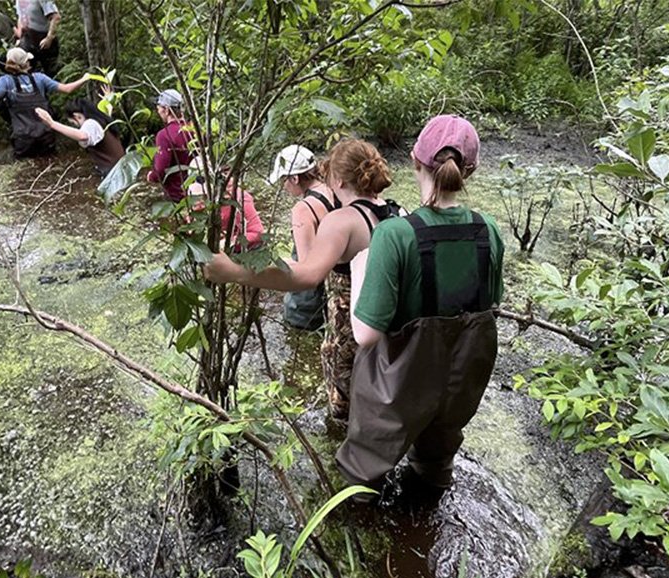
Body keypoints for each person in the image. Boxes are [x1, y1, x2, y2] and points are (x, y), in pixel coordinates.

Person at [335, 115, 504, 499]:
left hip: (398, 385)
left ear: (414, 159)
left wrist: (361, 269)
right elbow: (490, 304)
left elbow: (365, 334)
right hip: (461, 381)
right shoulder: (488, 231)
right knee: (434, 468)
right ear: (470, 171)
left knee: (362, 478)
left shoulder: (394, 234)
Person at [204, 139, 402, 419]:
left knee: (344, 401)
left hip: (351, 324)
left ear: (340, 181)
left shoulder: (343, 220)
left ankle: (345, 451)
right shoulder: (394, 211)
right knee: (376, 387)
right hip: (387, 320)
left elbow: (308, 275)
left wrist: (234, 271)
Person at [268, 145, 340, 330]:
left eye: (284, 180)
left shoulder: (303, 209)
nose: (283, 187)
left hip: (308, 303)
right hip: (338, 291)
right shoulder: (334, 190)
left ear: (295, 178)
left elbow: (306, 267)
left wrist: (272, 265)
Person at [187, 158, 265, 251]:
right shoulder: (195, 198)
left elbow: (257, 232)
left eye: (204, 196)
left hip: (246, 250)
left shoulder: (240, 199)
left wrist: (230, 242)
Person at [35, 99, 125, 176]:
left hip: (112, 171)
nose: (75, 125)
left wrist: (52, 124)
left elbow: (82, 136)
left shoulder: (91, 123)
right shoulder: (101, 119)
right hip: (121, 166)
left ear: (76, 116)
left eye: (73, 123)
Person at [146, 90, 194, 201]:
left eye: (159, 107)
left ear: (167, 110)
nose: (157, 110)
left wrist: (151, 176)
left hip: (176, 196)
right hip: (197, 193)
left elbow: (161, 170)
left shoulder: (164, 135)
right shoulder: (194, 130)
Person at [15, 0, 60, 77]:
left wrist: (49, 38)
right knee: (25, 72)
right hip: (28, 38)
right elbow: (20, 16)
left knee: (51, 73)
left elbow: (56, 17)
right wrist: (20, 35)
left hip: (43, 37)